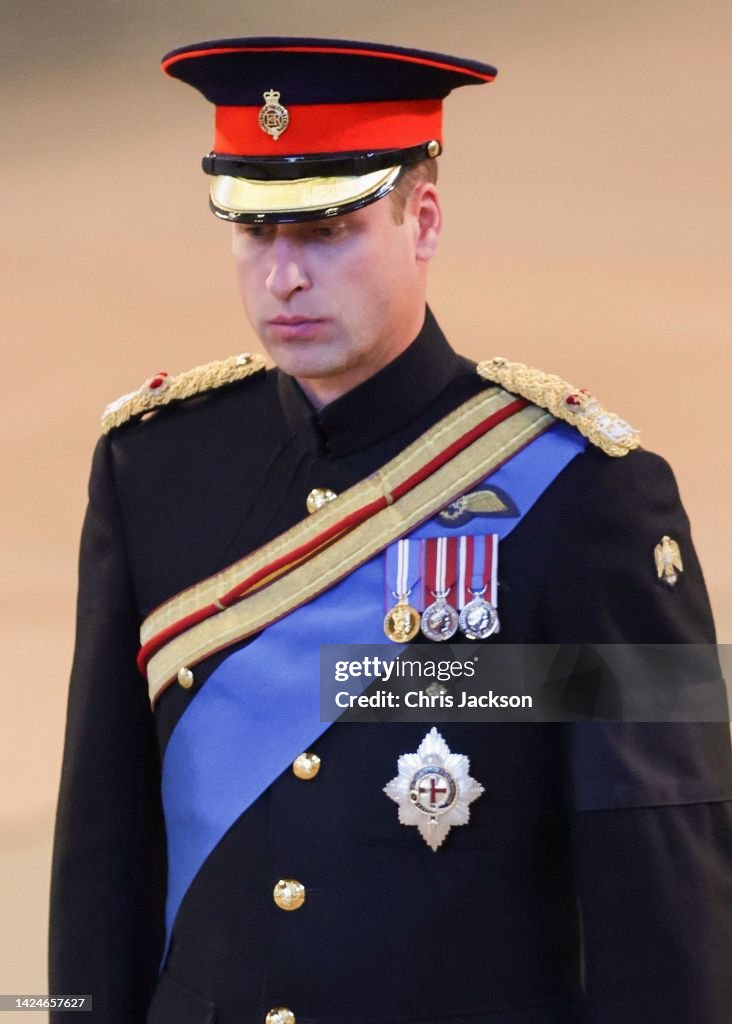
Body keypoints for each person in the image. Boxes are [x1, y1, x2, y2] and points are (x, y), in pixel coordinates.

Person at [49, 37, 731, 1024]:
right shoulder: (150, 467)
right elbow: (100, 861)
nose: (282, 277)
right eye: (253, 232)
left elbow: (664, 882)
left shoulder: (593, 495)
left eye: (325, 231)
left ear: (424, 220)